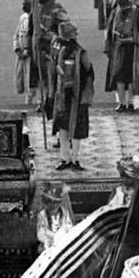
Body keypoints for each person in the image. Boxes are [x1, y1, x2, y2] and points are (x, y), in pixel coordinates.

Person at [53, 21, 94, 172]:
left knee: (76, 129)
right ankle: (65, 158)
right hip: (62, 95)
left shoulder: (81, 53)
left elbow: (89, 73)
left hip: (77, 96)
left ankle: (75, 159)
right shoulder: (60, 52)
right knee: (63, 128)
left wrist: (84, 95)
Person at [104, 0, 139, 112]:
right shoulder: (116, 12)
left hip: (132, 49)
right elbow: (110, 30)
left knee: (131, 77)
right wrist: (110, 46)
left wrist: (133, 40)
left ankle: (131, 102)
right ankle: (122, 102)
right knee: (119, 76)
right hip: (118, 48)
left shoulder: (136, 13)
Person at [36, 182, 75, 253]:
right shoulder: (42, 214)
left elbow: (70, 227)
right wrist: (47, 240)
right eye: (50, 202)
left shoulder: (65, 212)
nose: (53, 205)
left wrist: (63, 237)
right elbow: (40, 233)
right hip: (49, 246)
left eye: (56, 203)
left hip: (63, 243)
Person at [13, 0, 36, 105]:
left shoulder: (36, 18)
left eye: (25, 2)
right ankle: (28, 103)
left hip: (31, 57)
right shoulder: (22, 18)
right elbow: (16, 34)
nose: (23, 5)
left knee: (31, 82)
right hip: (22, 55)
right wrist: (17, 48)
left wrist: (27, 51)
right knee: (23, 80)